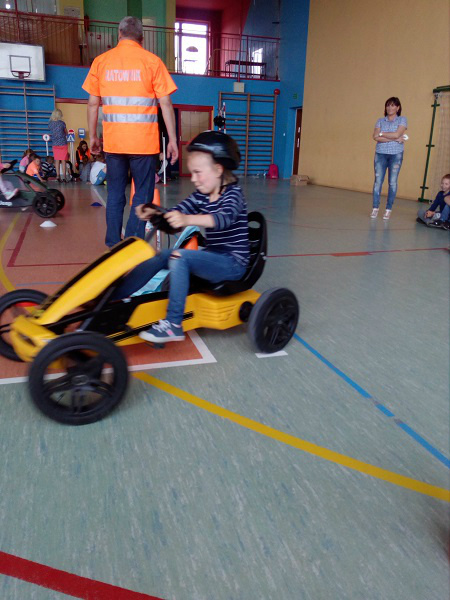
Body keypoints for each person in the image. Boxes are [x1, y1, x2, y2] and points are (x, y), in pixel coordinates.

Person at [113, 131, 249, 343]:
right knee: (163, 255)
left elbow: (222, 219)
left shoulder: (234, 195)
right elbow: (178, 211)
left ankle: (173, 324)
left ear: (218, 169)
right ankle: (116, 296)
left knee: (179, 257)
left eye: (198, 173)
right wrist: (155, 213)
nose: (193, 179)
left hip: (233, 264)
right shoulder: (202, 195)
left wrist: (187, 219)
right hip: (213, 257)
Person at [82, 16, 179, 248]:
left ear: (119, 35)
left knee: (115, 194)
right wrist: (172, 140)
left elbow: (93, 104)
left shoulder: (101, 62)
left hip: (114, 144)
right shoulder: (153, 62)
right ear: (141, 38)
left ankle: (113, 243)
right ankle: (132, 245)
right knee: (142, 196)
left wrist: (93, 136)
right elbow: (166, 104)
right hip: (144, 145)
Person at [370, 97, 407, 220]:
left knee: (392, 182)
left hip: (396, 154)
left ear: (398, 107)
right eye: (388, 105)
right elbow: (375, 137)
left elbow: (397, 134)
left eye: (392, 105)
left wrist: (382, 134)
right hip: (380, 154)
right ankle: (375, 208)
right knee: (378, 181)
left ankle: (388, 209)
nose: (389, 108)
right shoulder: (380, 121)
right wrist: (395, 139)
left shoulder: (402, 120)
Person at [48, 109, 68, 183]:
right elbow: (66, 132)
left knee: (57, 160)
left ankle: (58, 176)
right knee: (63, 160)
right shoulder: (62, 123)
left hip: (55, 144)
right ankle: (64, 177)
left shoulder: (50, 124)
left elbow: (52, 131)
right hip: (63, 143)